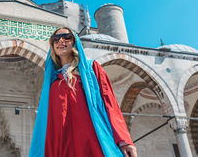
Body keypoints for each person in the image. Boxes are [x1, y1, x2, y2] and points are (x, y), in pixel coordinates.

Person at [29, 27, 137, 157]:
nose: (61, 41)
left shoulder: (91, 70)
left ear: (75, 41)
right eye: (55, 39)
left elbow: (110, 104)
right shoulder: (53, 83)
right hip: (62, 147)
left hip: (92, 142)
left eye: (66, 37)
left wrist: (124, 140)